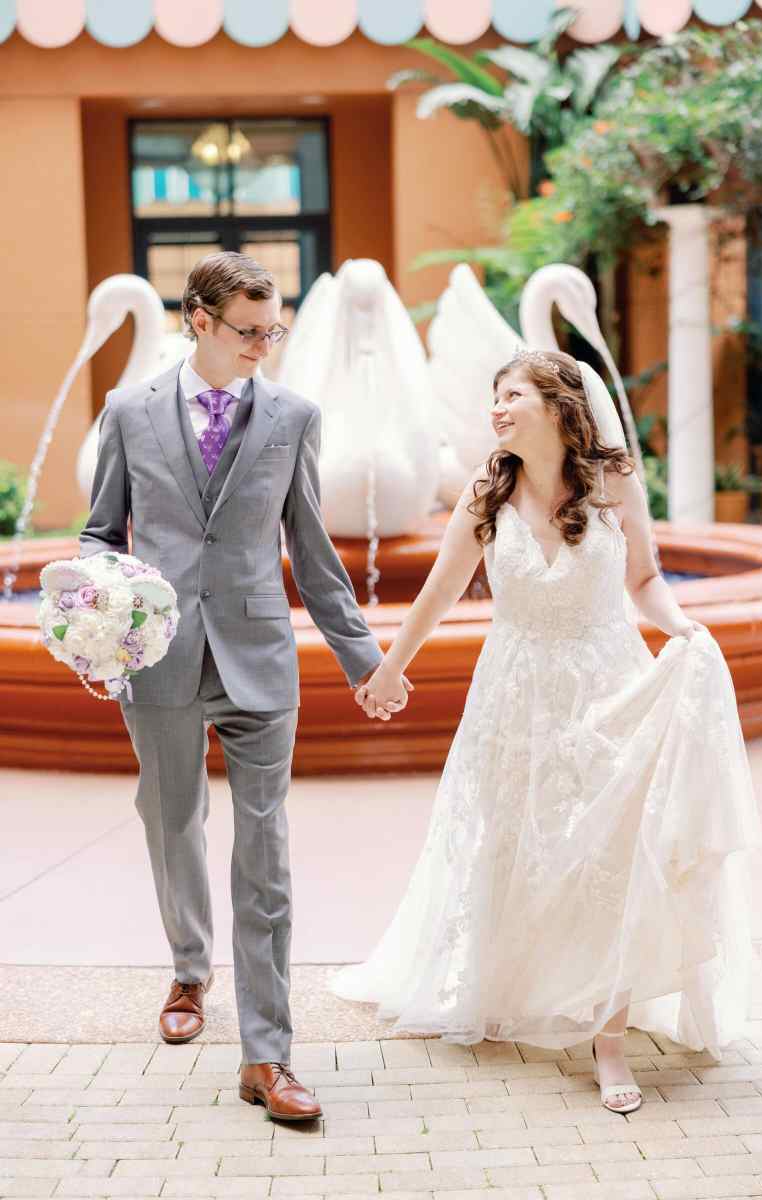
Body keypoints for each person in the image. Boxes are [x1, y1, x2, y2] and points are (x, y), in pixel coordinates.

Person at [332, 347, 762, 1115]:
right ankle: (512, 984)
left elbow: (644, 580)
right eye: (493, 396)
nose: (496, 408)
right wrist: (390, 668)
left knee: (611, 853)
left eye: (512, 394)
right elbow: (437, 589)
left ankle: (607, 1034)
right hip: (515, 692)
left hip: (608, 684)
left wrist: (684, 629)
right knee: (512, 844)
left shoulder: (613, 479)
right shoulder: (485, 493)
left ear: (559, 404)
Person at [79, 251, 411, 1122]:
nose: (266, 343)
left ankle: (269, 1056)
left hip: (260, 659)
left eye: (275, 329)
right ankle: (190, 970)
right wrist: (100, 621)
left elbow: (313, 548)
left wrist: (363, 658)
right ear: (198, 318)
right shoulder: (128, 410)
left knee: (265, 853)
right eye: (249, 330)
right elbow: (98, 534)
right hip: (159, 660)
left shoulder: (295, 416)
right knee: (171, 818)